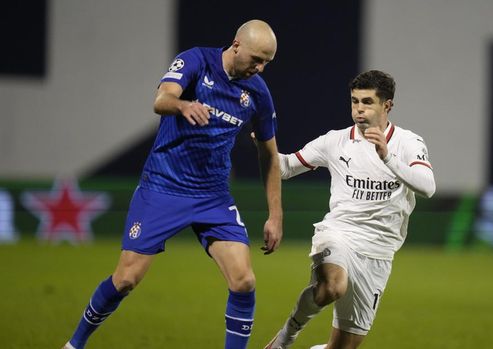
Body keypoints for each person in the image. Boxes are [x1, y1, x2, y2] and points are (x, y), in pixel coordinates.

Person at [62, 19, 283, 349]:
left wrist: (275, 214)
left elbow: (269, 154)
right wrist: (182, 105)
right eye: (256, 59)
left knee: (244, 281)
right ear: (236, 45)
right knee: (126, 279)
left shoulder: (257, 93)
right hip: (163, 187)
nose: (261, 68)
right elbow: (161, 99)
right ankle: (74, 344)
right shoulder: (196, 61)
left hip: (213, 197)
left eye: (267, 62)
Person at [263, 70, 436, 349]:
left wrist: (388, 158)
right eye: (354, 101)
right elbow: (283, 167)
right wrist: (264, 143)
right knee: (333, 286)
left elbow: (428, 187)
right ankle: (284, 338)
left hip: (378, 252)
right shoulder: (335, 141)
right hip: (339, 234)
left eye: (367, 102)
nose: (358, 109)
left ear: (387, 105)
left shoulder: (408, 143)